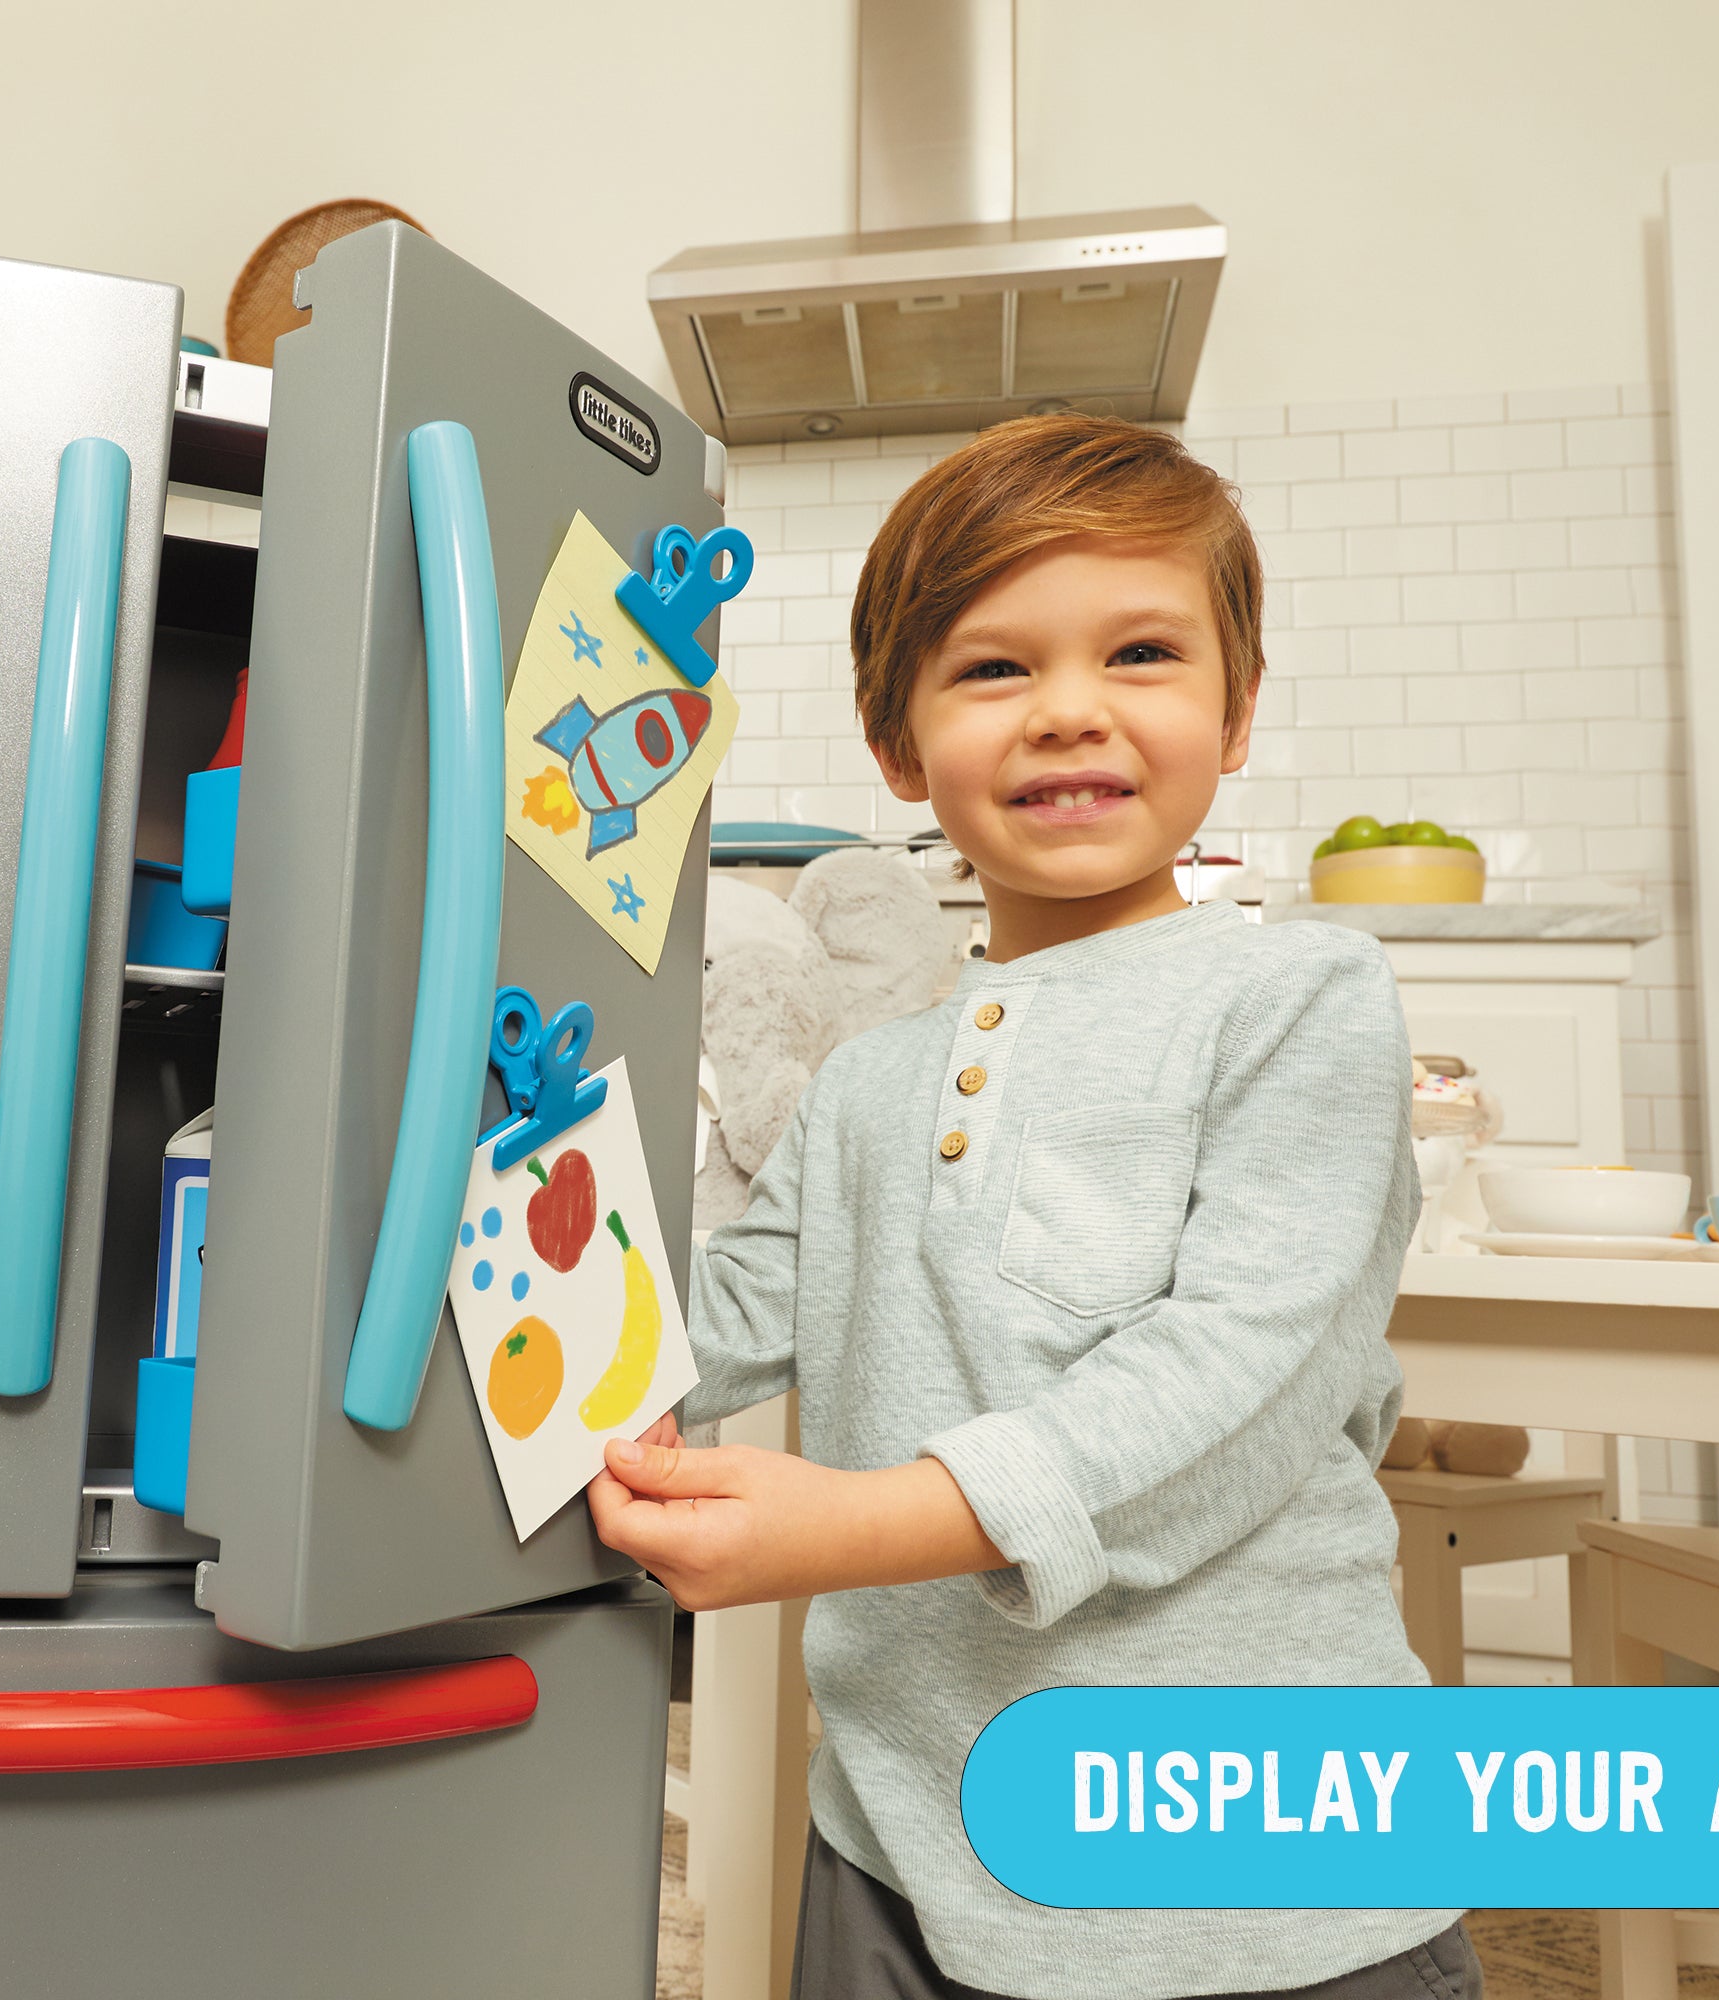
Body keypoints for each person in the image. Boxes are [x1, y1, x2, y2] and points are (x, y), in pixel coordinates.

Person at [588, 414, 1479, 2000]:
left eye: (1141, 653)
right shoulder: (872, 1079)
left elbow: (1232, 1378)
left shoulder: (1299, 995)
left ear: (1238, 707)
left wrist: (856, 1527)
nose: (1071, 712)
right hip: (899, 1840)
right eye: (995, 671)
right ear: (897, 745)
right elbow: (722, 1324)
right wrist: (515, 1276)